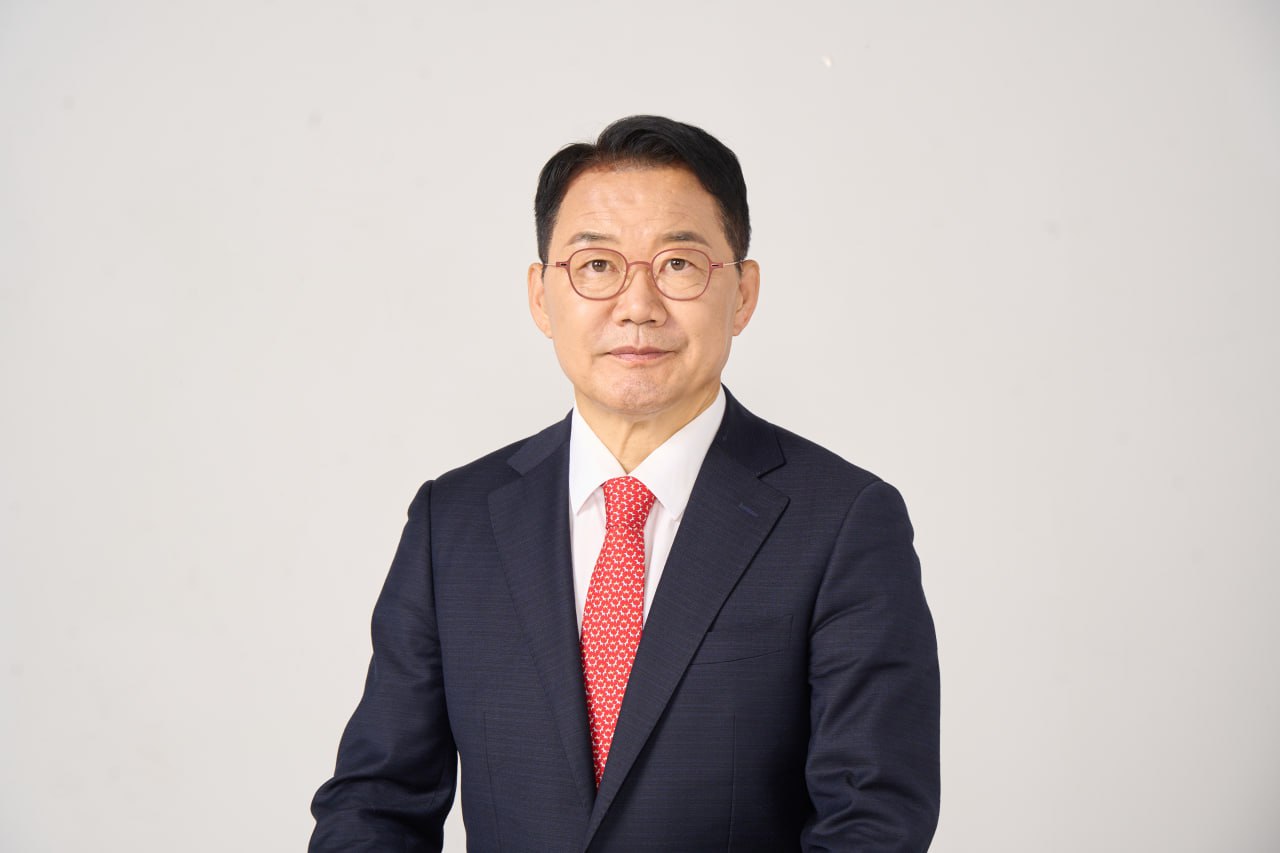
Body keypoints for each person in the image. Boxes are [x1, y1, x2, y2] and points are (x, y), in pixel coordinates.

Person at [309, 115, 940, 852]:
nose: (638, 306)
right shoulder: (452, 522)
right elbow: (375, 805)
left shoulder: (842, 523)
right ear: (542, 296)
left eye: (678, 264)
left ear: (742, 293)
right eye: (598, 265)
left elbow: (870, 823)